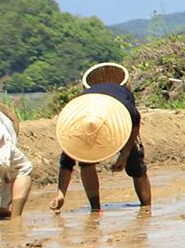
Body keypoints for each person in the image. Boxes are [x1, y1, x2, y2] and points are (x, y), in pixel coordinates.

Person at [53, 82, 152, 211]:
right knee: (85, 161)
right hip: (88, 112)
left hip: (115, 113)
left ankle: (146, 208)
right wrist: (61, 195)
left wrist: (125, 155)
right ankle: (95, 208)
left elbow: (135, 123)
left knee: (135, 164)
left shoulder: (124, 110)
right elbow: (66, 163)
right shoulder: (76, 127)